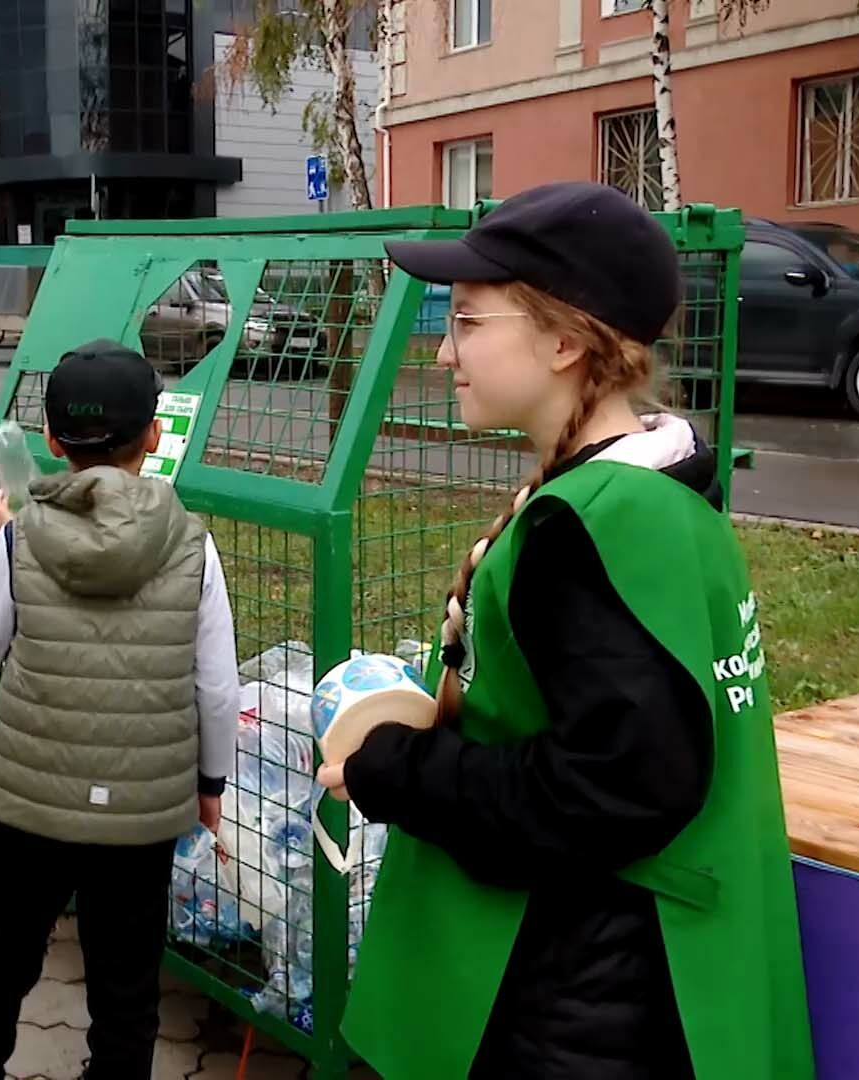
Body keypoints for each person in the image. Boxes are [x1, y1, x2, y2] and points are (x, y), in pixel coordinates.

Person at [319, 182, 812, 1080]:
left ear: (563, 339)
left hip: (569, 994)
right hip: (612, 978)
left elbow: (618, 788)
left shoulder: (590, 525)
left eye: (469, 321)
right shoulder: (656, 492)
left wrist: (395, 768)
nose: (445, 350)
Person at [0, 341, 240, 1080]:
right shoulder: (195, 549)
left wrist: (8, 545)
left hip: (33, 803)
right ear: (155, 436)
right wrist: (210, 786)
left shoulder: (19, 536)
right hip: (141, 811)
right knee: (127, 986)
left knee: (6, 960)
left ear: (50, 441)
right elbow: (217, 688)